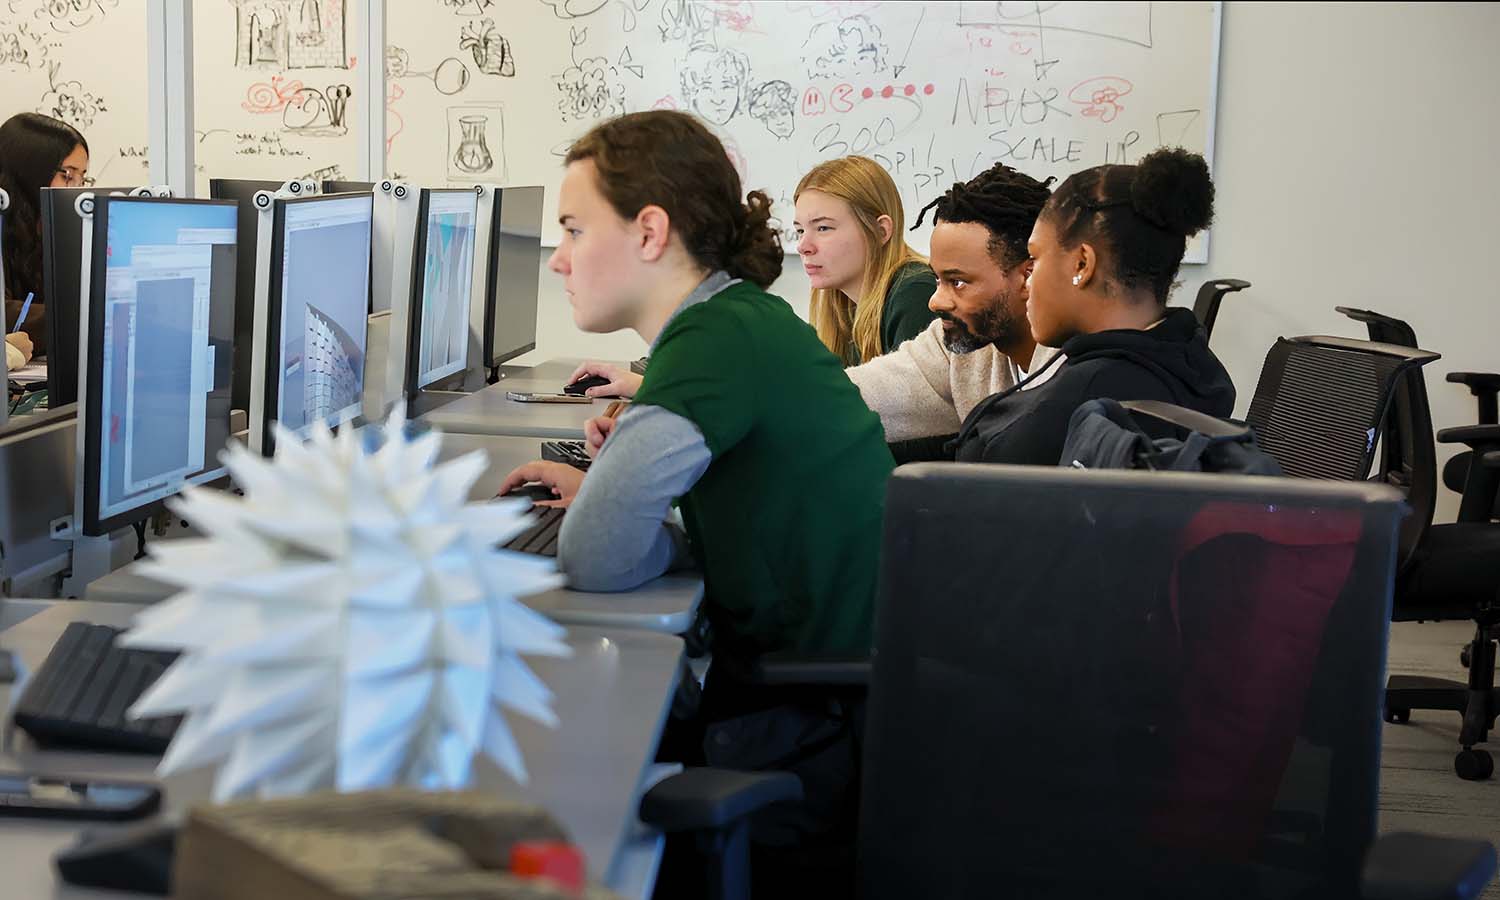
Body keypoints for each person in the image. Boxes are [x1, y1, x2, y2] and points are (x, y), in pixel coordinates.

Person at [499, 110, 893, 660]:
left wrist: (616, 510)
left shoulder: (712, 343)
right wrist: (614, 496)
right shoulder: (739, 317)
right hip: (838, 671)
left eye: (574, 231)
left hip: (812, 705)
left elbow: (593, 557)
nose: (559, 262)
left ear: (650, 233)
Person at [953, 147, 1236, 465]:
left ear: (1082, 264)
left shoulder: (1086, 396)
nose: (1027, 282)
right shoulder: (1189, 361)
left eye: (1035, 258)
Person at [844, 162, 1059, 451]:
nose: (936, 301)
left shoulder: (1085, 361)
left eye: (957, 282)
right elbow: (851, 397)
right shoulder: (956, 346)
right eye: (937, 279)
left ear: (1027, 277)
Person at [796, 155, 935, 365]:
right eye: (800, 230)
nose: (803, 247)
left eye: (823, 228)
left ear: (880, 231)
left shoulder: (915, 292)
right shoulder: (841, 304)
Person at [0, 112, 90, 349]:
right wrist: (84, 316)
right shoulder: (3, 225)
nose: (77, 188)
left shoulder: (58, 228)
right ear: (31, 170)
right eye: (67, 175)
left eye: (82, 178)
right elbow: (6, 315)